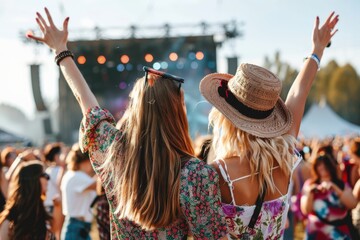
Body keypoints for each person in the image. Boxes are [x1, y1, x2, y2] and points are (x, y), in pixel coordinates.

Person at [28, 8, 228, 239]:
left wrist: (61, 51)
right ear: (178, 114)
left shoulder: (115, 154)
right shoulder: (195, 174)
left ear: (135, 111)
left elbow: (86, 102)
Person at [199, 12, 339, 239]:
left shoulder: (218, 173)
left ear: (226, 118)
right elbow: (298, 94)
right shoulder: (284, 158)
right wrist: (317, 51)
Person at [301, 153, 357, 239]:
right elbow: (305, 210)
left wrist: (336, 189)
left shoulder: (340, 184)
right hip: (316, 232)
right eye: (319, 164)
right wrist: (310, 194)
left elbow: (353, 204)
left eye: (325, 164)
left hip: (338, 233)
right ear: (315, 167)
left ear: (331, 166)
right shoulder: (309, 184)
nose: (322, 167)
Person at [0, 160, 55, 239]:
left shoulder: (41, 210)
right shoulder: (11, 218)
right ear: (33, 180)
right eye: (44, 175)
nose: (48, 178)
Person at [60, 143, 97, 240]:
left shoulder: (72, 175)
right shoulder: (77, 176)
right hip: (77, 228)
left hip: (78, 227)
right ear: (84, 161)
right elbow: (99, 185)